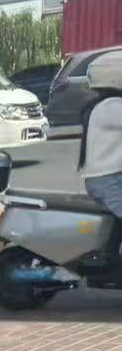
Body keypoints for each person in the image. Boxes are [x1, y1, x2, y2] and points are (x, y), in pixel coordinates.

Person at [80, 51, 122, 269]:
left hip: (110, 178)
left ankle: (111, 257)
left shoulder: (106, 105)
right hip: (108, 181)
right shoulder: (111, 107)